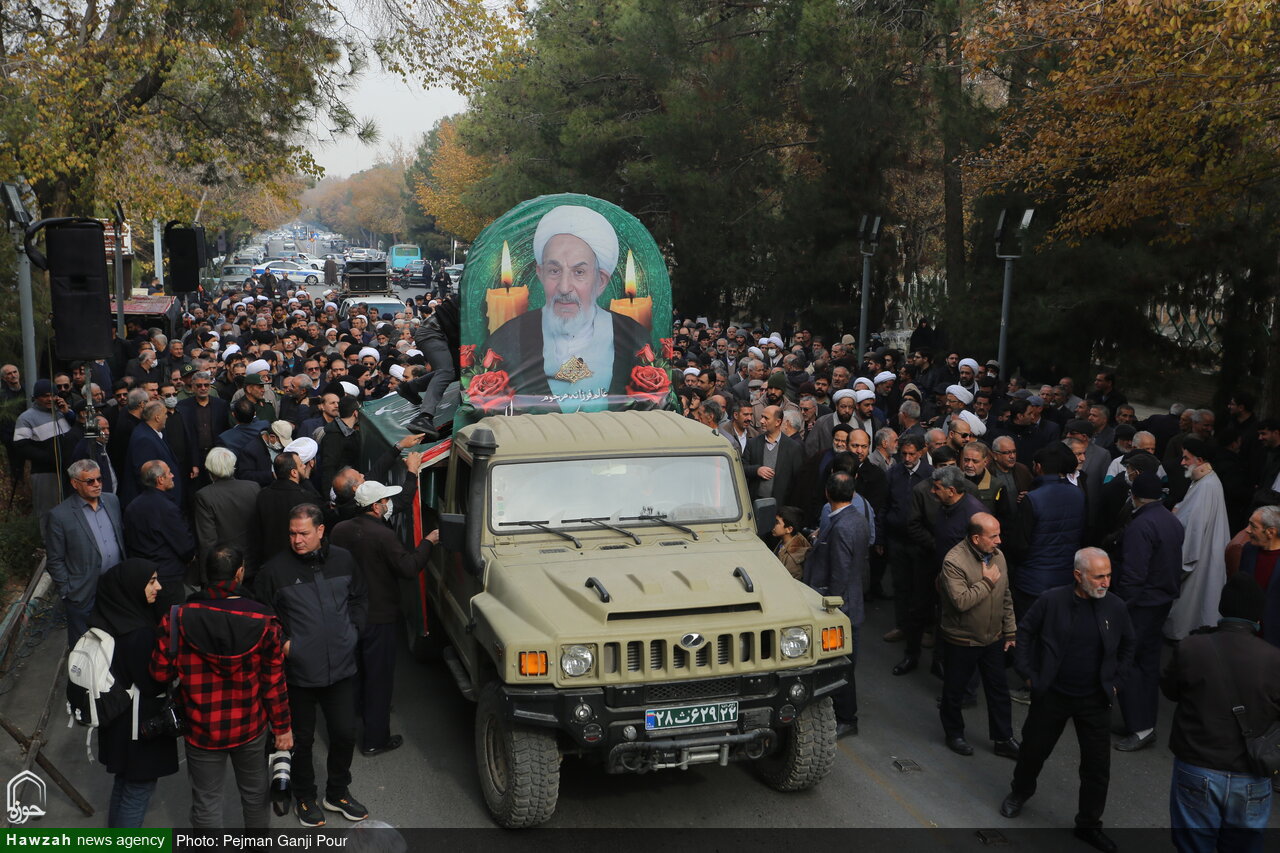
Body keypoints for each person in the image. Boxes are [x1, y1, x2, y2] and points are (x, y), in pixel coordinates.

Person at [1000, 548, 1135, 853]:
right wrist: (1029, 675)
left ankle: (1088, 825)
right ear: (1078, 575)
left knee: (1097, 767)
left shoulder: (1116, 607)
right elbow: (1025, 633)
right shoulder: (1052, 600)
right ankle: (1019, 793)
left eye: (1109, 575)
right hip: (1053, 695)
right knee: (1033, 751)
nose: (1106, 582)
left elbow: (1129, 646)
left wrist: (1116, 684)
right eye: (1098, 576)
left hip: (1095, 700)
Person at [150, 544, 293, 829]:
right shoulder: (264, 620)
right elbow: (273, 680)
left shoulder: (177, 617)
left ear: (206, 574)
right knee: (254, 796)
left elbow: (159, 673)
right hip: (250, 726)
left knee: (206, 802)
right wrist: (283, 728)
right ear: (240, 573)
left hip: (201, 728)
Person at [253, 504, 368, 827]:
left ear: (321, 531)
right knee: (301, 741)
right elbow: (263, 617)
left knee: (345, 733)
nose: (297, 540)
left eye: (303, 533)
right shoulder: (274, 570)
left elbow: (359, 597)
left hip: (342, 668)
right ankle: (305, 796)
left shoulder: (344, 560)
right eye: (292, 533)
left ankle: (337, 793)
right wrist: (287, 644)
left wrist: (354, 631)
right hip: (299, 674)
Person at [481, 204, 651, 408]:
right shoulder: (506, 340)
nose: (564, 287)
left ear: (601, 280)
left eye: (579, 272)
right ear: (540, 273)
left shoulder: (633, 338)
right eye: (554, 270)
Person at [1162, 574, 1280, 852]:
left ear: (1222, 608)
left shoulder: (1191, 647)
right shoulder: (1275, 660)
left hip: (1197, 766)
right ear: (1258, 616)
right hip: (1251, 775)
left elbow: (1170, 691)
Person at [331, 481, 437, 756]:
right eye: (386, 501)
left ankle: (351, 721)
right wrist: (428, 542)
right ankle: (375, 739)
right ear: (376, 506)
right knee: (379, 679)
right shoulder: (383, 536)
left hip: (348, 614)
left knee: (354, 673)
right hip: (379, 616)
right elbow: (409, 567)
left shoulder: (340, 531)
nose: (389, 505)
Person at [91, 559, 179, 828]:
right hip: (139, 727)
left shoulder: (105, 619)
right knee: (137, 792)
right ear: (131, 587)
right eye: (151, 581)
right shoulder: (138, 633)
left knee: (125, 784)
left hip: (116, 719)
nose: (159, 587)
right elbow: (152, 684)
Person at [936, 512, 1019, 760]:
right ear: (975, 538)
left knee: (998, 691)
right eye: (993, 536)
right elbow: (961, 602)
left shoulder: (998, 557)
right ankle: (954, 734)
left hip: (992, 638)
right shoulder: (954, 562)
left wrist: (1010, 630)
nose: (999, 541)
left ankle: (1003, 738)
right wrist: (986, 583)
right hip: (962, 640)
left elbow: (1006, 595)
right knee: (955, 691)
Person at [1112, 471, 1185, 752]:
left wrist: (1119, 606)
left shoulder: (1141, 526)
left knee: (1129, 663)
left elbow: (1134, 575)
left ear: (1135, 497)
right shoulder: (1171, 521)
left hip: (1141, 604)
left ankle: (1140, 727)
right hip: (1161, 602)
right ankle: (1142, 723)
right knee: (1148, 663)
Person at [802, 470, 869, 738]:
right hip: (852, 601)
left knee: (840, 666)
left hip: (839, 606)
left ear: (827, 493)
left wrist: (831, 606)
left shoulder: (841, 526)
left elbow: (839, 571)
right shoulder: (856, 518)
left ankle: (846, 717)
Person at [46, 459, 125, 643]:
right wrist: (68, 591)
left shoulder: (112, 501)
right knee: (85, 646)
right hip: (83, 592)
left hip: (115, 585)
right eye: (90, 481)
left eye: (99, 479)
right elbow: (55, 559)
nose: (97, 484)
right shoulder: (59, 515)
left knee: (117, 638)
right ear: (75, 483)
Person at [1166, 437, 1231, 640]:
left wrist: (1181, 566)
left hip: (1198, 558)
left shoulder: (1206, 486)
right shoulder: (1205, 481)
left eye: (1186, 458)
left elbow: (1193, 531)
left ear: (1200, 460)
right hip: (1204, 556)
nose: (1182, 463)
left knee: (1190, 610)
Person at [124, 460, 196, 610]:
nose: (173, 475)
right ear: (160, 480)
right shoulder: (167, 508)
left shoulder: (132, 506)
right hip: (167, 579)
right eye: (169, 472)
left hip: (142, 576)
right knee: (171, 625)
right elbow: (185, 547)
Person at [14, 378, 76, 534]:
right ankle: (49, 547)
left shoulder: (61, 412)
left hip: (66, 470)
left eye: (53, 395)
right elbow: (21, 447)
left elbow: (76, 428)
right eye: (45, 396)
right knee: (48, 511)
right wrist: (49, 457)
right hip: (45, 472)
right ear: (36, 397)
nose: (50, 399)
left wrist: (67, 412)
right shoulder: (26, 418)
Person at [192, 448, 262, 577]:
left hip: (224, 569)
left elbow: (207, 540)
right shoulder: (253, 487)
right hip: (254, 562)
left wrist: (205, 576)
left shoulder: (204, 496)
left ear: (210, 469)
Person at [742, 405, 803, 505]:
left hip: (781, 506)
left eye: (766, 418)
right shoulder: (753, 443)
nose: (761, 421)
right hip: (754, 503)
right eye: (761, 417)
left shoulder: (793, 447)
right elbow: (742, 468)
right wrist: (757, 470)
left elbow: (798, 480)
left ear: (778, 422)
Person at [1239, 505, 1280, 649]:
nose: (1247, 530)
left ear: (1270, 532)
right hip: (1247, 635)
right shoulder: (1248, 550)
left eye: (1253, 526)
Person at [771, 506, 809, 580]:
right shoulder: (786, 540)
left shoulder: (792, 559)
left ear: (789, 529)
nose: (773, 525)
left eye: (777, 522)